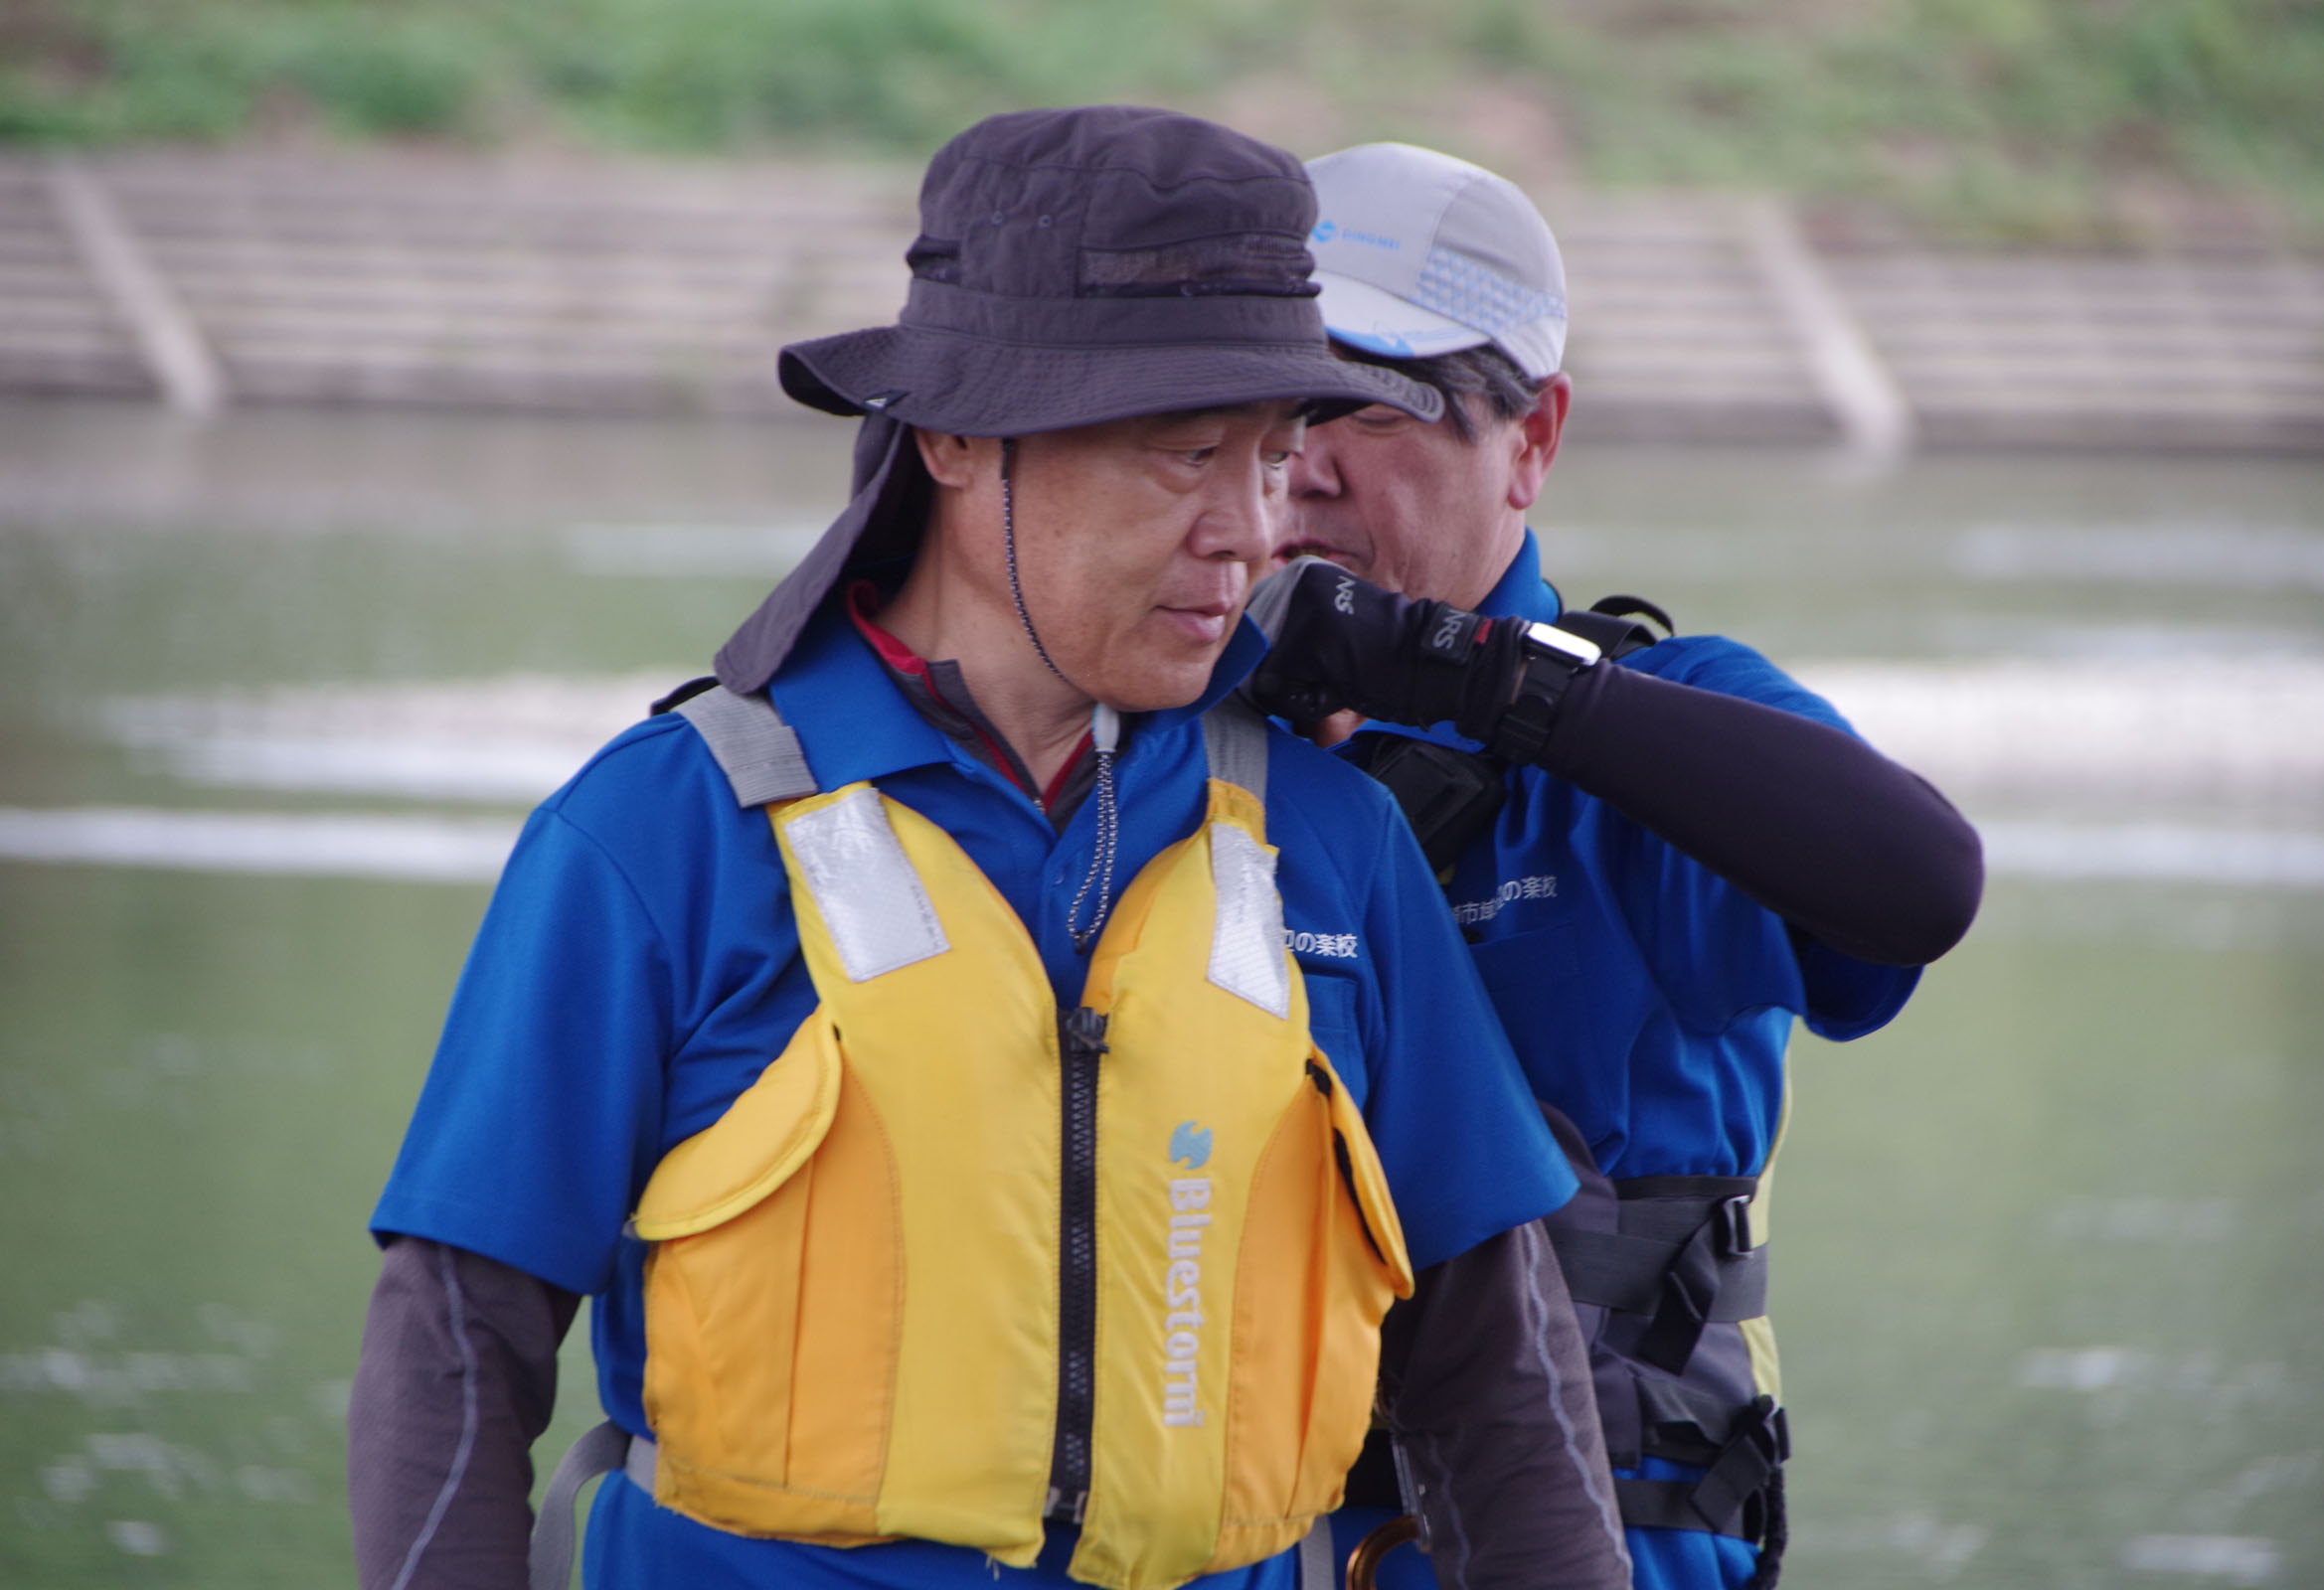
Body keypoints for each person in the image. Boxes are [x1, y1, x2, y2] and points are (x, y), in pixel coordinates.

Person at [348, 108, 1630, 1590]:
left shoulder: (1329, 840)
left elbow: (1498, 1380)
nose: (1250, 527)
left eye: (1274, 456)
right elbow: (457, 1340)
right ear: (957, 439)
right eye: (1184, 454)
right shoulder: (664, 832)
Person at [1248, 144, 1986, 1590]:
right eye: (1266, 407)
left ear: (1531, 442)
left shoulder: (1652, 740)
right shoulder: (1177, 756)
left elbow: (1920, 881)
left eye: (1369, 402)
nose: (1304, 460)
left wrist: (1475, 677)